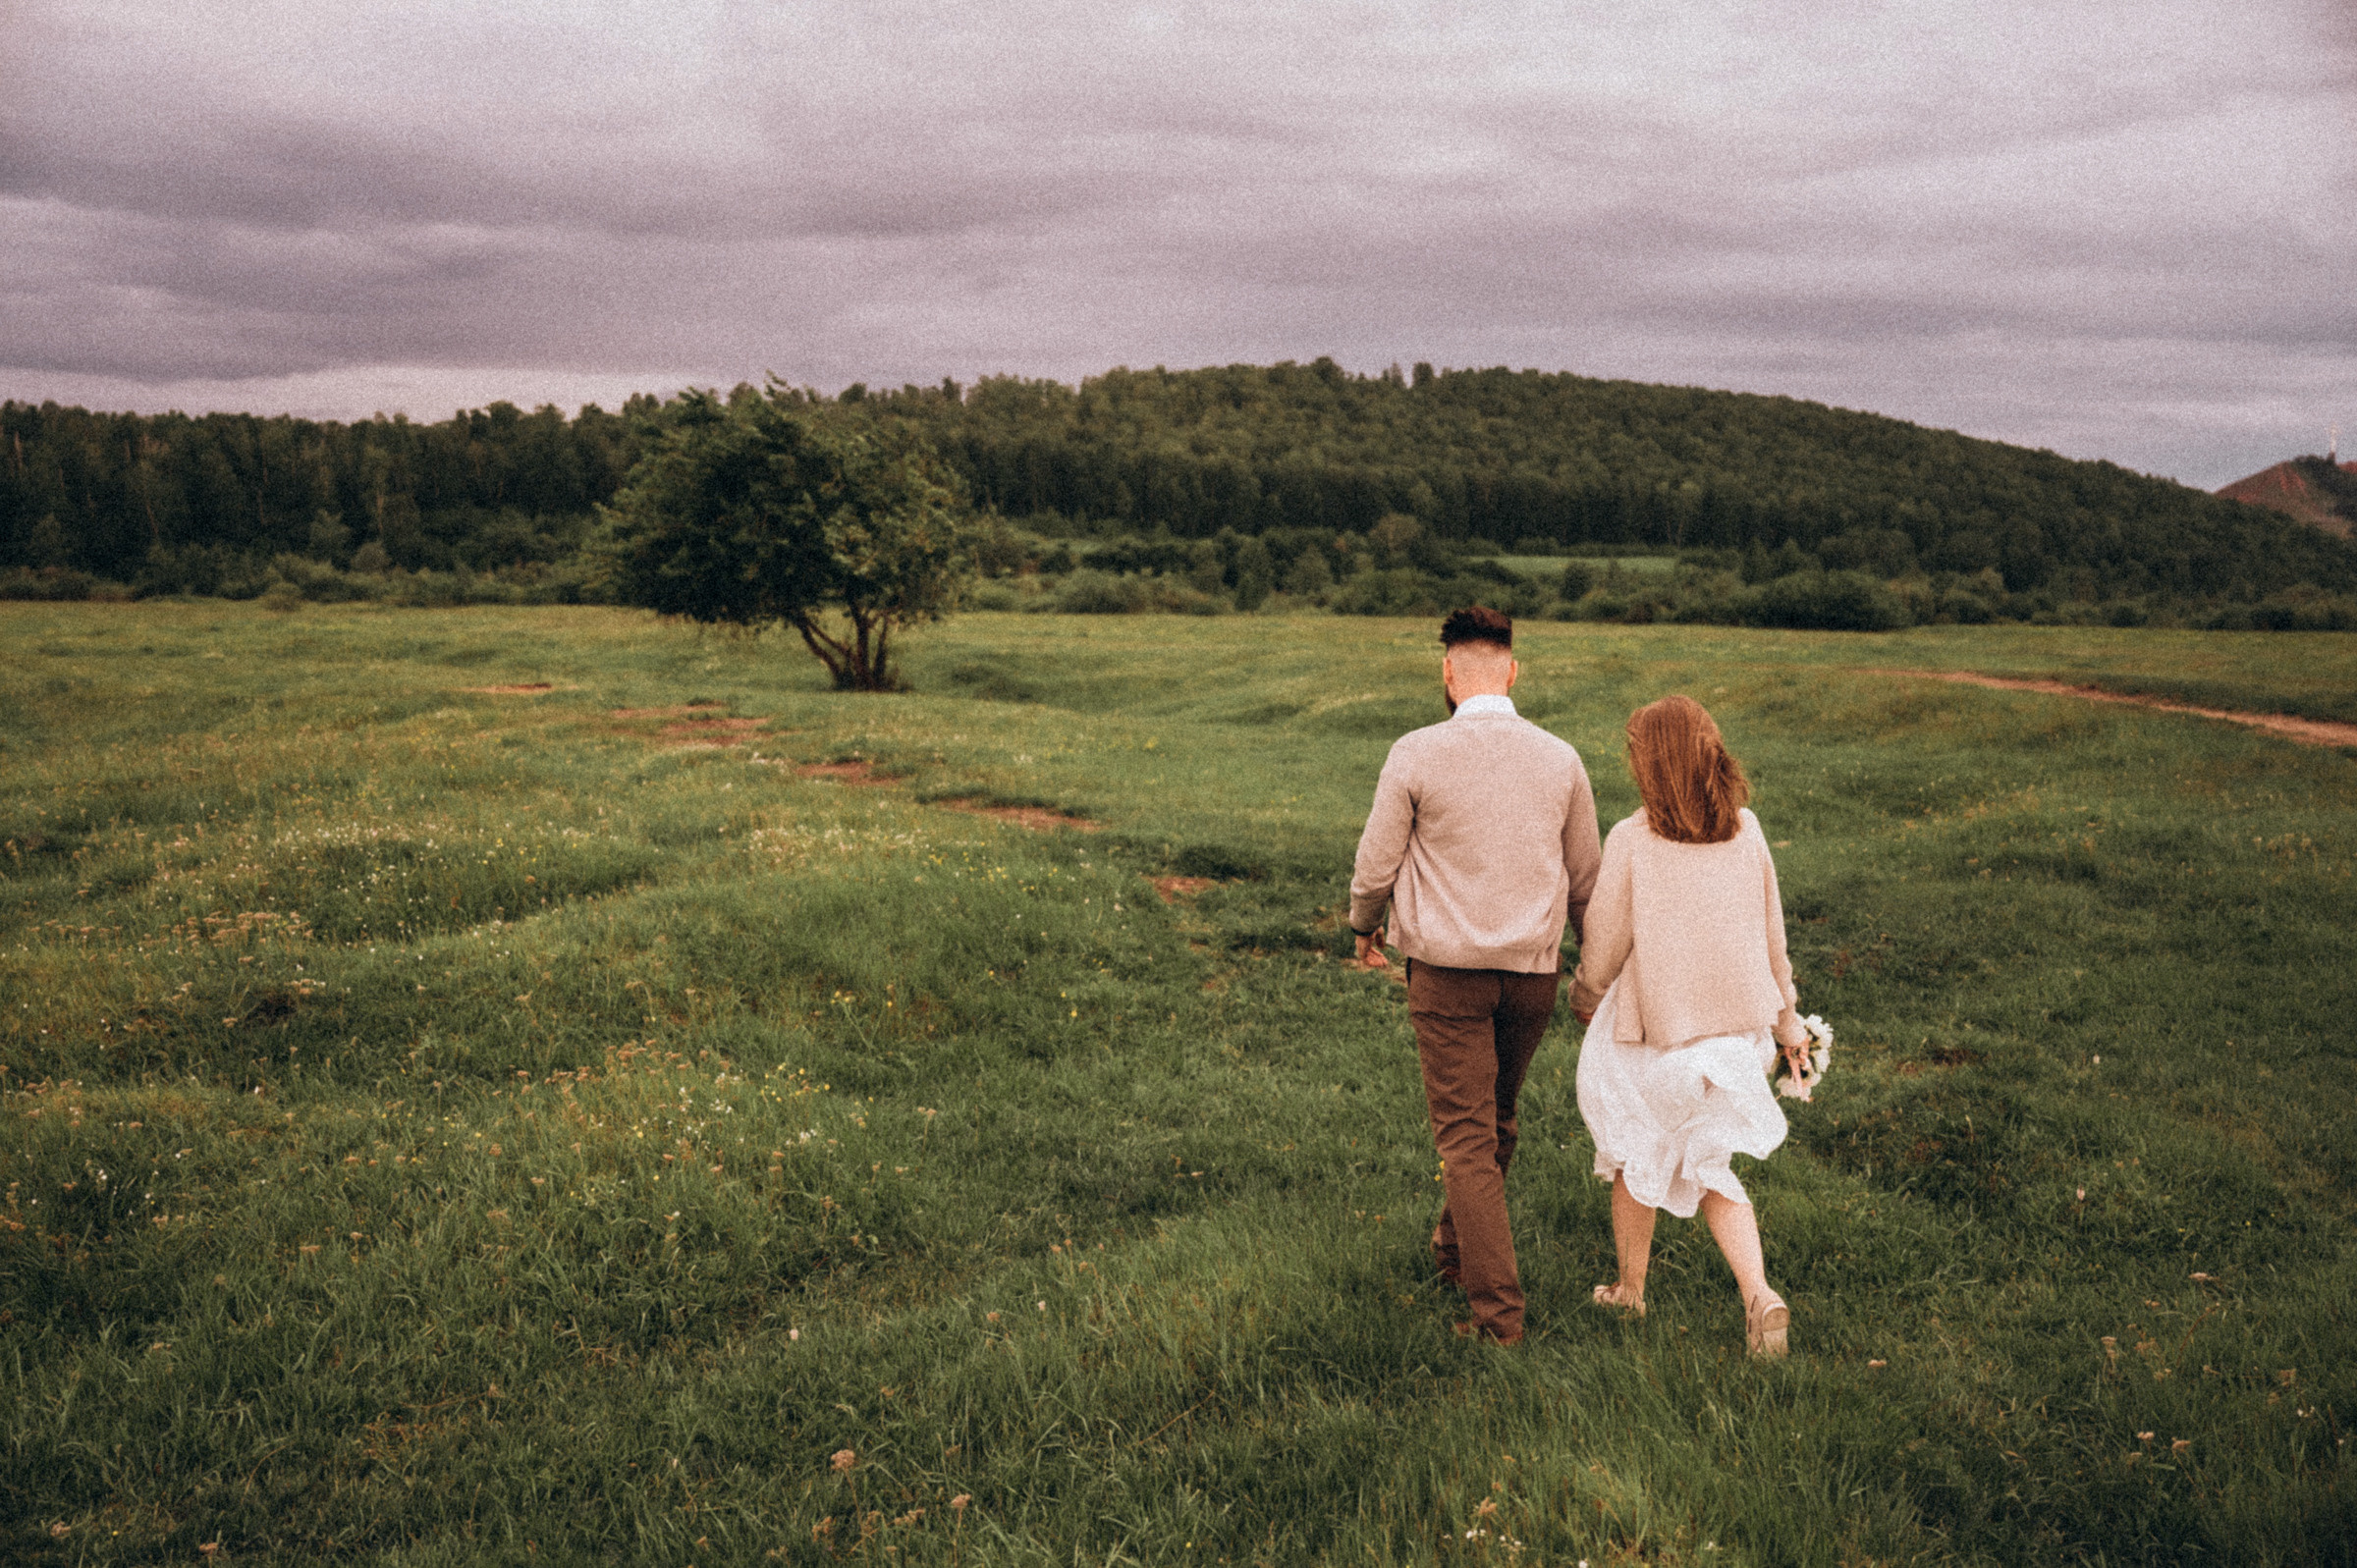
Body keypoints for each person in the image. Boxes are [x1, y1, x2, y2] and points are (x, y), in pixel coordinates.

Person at [1349, 606, 1604, 1344]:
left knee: (1468, 1138)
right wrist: (1592, 968)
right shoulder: (1561, 758)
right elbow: (1587, 880)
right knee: (1496, 1123)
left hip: (1448, 974)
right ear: (1513, 671)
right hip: (1533, 975)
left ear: (1449, 674)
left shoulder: (1416, 751)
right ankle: (1454, 1253)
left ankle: (1499, 1323)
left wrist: (1363, 924)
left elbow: (1375, 864)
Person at [1566, 694, 1809, 1358]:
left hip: (1661, 1039)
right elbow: (1773, 937)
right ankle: (1759, 1294)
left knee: (1632, 1148)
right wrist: (1788, 1023)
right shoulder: (1748, 830)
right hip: (1737, 1039)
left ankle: (1631, 1287)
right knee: (1708, 1163)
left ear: (1648, 765)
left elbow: (1606, 940)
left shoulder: (1633, 839)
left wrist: (1585, 993)